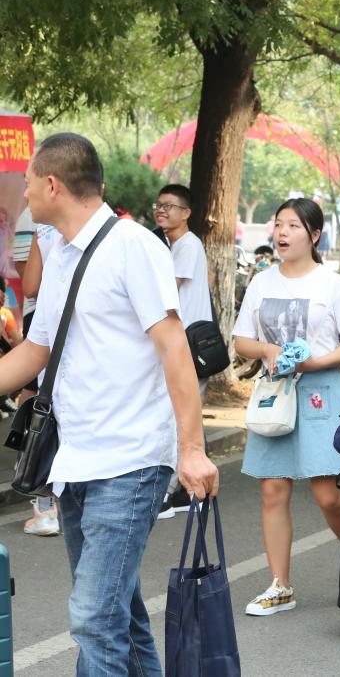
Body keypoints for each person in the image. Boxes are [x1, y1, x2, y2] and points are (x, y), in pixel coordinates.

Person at [0, 132, 218, 674]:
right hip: (75, 458)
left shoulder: (133, 247)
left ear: (53, 185)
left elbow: (175, 347)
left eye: (29, 181)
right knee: (120, 613)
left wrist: (192, 450)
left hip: (131, 460)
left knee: (95, 617)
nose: (24, 192)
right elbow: (35, 350)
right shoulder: (58, 251)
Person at [233, 198, 340, 617]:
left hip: (321, 393)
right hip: (275, 393)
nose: (282, 232)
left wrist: (315, 362)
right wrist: (268, 349)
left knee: (327, 495)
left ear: (314, 235)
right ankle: (280, 586)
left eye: (292, 225)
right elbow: (241, 341)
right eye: (278, 224)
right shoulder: (261, 283)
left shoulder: (332, 284)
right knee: (273, 489)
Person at [152, 184, 216, 519]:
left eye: (169, 206)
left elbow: (165, 290)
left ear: (186, 213)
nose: (161, 210)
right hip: (185, 346)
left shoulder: (187, 245)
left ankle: (167, 493)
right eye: (159, 205)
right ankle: (189, 492)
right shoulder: (173, 245)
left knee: (178, 418)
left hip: (190, 348)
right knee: (183, 416)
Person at [12, 207, 61, 536]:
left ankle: (45, 509)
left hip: (42, 322)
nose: (27, 190)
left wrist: (38, 241)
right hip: (56, 328)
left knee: (38, 413)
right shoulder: (117, 232)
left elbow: (29, 286)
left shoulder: (39, 226)